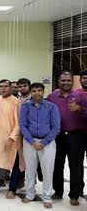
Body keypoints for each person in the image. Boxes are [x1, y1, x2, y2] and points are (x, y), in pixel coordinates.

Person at [47, 71, 87, 206]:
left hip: (76, 135)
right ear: (59, 81)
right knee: (57, 164)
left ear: (72, 81)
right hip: (57, 136)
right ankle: (57, 191)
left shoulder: (81, 96)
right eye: (63, 80)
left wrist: (80, 109)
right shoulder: (52, 97)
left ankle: (74, 195)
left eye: (68, 80)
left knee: (76, 166)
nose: (66, 83)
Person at [20, 83, 60, 209]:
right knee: (30, 170)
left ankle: (47, 197)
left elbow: (56, 128)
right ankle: (30, 194)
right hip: (29, 142)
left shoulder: (51, 107)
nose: (37, 93)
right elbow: (22, 126)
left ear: (43, 91)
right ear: (31, 92)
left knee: (48, 170)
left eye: (39, 91)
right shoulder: (25, 106)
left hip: (47, 143)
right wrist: (33, 142)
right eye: (34, 91)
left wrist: (43, 142)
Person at [0, 79, 24, 199]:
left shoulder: (16, 102)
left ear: (11, 88)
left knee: (15, 164)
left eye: (6, 86)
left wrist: (12, 138)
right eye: (1, 86)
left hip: (11, 139)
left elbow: (19, 124)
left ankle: (12, 189)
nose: (3, 88)